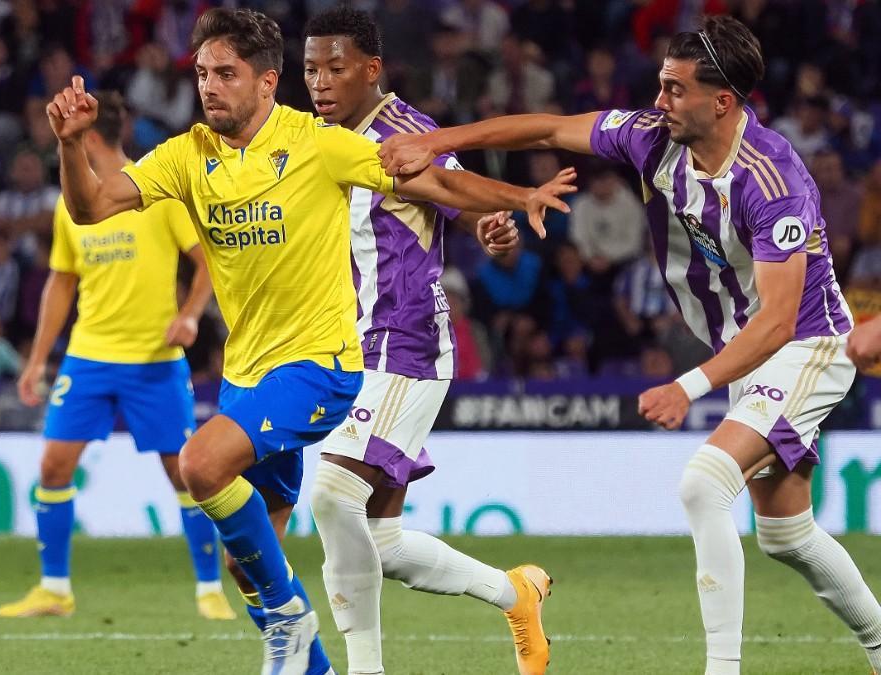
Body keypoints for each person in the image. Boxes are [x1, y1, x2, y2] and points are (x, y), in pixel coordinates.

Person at [45, 8, 574, 673]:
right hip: (263, 364)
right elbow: (90, 207)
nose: (209, 86)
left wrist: (509, 203)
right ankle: (507, 592)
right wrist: (70, 144)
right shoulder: (204, 152)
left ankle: (336, 651)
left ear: (271, 82)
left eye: (226, 74)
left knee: (272, 483)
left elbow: (441, 186)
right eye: (202, 73)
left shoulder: (354, 140)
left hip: (373, 347)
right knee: (301, 551)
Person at [379, 15, 881, 675]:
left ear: (722, 101)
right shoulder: (652, 138)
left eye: (675, 90)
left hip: (804, 344)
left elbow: (781, 321)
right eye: (660, 85)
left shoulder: (773, 182)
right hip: (748, 346)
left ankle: (722, 668)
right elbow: (547, 127)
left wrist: (687, 385)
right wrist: (438, 139)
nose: (659, 101)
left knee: (704, 484)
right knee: (785, 533)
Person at [301, 8, 551, 675]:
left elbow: (458, 196)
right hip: (343, 348)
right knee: (377, 541)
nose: (320, 82)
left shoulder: (407, 135)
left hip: (402, 341)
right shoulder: (314, 137)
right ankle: (515, 591)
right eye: (310, 68)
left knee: (329, 494)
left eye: (334, 67)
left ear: (371, 69)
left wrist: (493, 225)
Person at [0, 91, 235, 623]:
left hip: (154, 360)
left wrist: (192, 315)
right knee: (54, 466)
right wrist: (37, 360)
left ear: (93, 137)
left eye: (74, 135)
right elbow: (62, 283)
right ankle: (54, 590)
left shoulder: (156, 196)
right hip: (88, 359)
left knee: (186, 474)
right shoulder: (69, 203)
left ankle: (208, 589)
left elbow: (207, 262)